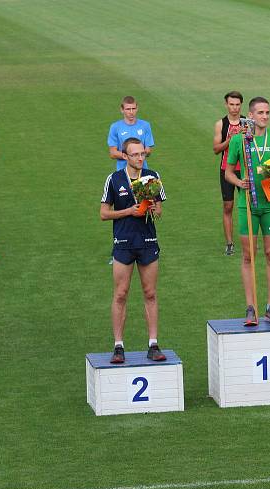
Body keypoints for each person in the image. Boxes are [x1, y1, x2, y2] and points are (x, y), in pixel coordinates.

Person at [100, 138, 166, 364]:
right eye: (135, 154)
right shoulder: (114, 179)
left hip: (148, 240)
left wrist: (150, 204)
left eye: (142, 154)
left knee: (150, 293)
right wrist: (128, 211)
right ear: (125, 157)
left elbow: (159, 212)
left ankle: (153, 344)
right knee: (120, 294)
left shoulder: (153, 177)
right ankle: (118, 346)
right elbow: (103, 213)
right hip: (124, 242)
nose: (140, 158)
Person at [224, 96, 270, 326]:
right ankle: (251, 307)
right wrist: (239, 183)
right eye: (260, 113)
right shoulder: (239, 141)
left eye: (268, 113)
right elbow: (228, 172)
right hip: (247, 205)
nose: (265, 117)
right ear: (250, 115)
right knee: (249, 255)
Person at [213, 91, 245, 256]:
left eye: (237, 104)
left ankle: (250, 240)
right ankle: (230, 243)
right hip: (227, 169)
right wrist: (230, 139)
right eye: (231, 104)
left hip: (245, 169)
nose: (234, 108)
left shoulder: (247, 123)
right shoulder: (221, 124)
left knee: (249, 205)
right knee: (228, 206)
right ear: (226, 104)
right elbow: (216, 149)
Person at [108, 96, 154, 170]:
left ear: (137, 108)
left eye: (133, 109)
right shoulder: (115, 127)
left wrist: (134, 156)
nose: (131, 112)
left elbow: (148, 151)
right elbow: (113, 153)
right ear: (122, 110)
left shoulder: (145, 125)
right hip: (122, 172)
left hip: (142, 171)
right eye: (128, 109)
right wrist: (133, 156)